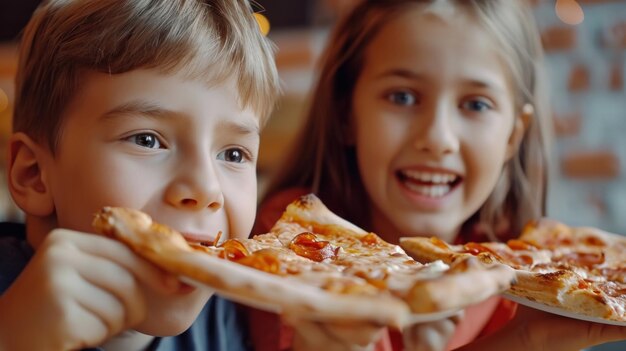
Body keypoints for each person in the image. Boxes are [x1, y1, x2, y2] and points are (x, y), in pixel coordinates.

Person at [253, 0, 626, 350]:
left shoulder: (525, 265)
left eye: (475, 104)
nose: (437, 138)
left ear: (514, 134)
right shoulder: (290, 243)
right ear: (346, 113)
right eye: (402, 97)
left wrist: (527, 334)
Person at [0, 0, 281, 349]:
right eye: (147, 140)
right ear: (34, 175)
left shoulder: (229, 320)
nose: (207, 189)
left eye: (233, 154)